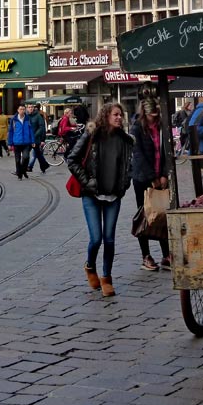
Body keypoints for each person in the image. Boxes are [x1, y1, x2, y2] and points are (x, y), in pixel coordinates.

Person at [68, 102, 133, 297]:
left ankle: (106, 277)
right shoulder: (91, 134)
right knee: (96, 238)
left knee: (110, 238)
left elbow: (130, 165)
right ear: (105, 116)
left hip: (113, 195)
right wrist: (87, 182)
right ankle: (90, 266)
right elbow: (72, 159)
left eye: (120, 115)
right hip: (92, 195)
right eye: (115, 114)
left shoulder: (125, 140)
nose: (119, 118)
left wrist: (125, 184)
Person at [129, 100, 171, 271]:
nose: (154, 118)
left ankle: (166, 255)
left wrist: (164, 174)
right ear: (145, 114)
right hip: (142, 178)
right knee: (145, 214)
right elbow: (137, 154)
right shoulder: (137, 128)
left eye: (156, 114)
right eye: (151, 115)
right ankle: (145, 255)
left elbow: (168, 151)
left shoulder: (162, 127)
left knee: (163, 214)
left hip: (159, 177)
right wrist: (152, 177)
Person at [7, 105, 34, 180]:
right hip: (17, 142)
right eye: (21, 109)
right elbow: (11, 131)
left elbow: (31, 130)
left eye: (23, 109)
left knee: (26, 157)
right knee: (18, 160)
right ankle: (20, 174)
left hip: (26, 142)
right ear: (18, 110)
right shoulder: (14, 120)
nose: (22, 110)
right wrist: (9, 143)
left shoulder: (28, 119)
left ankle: (23, 170)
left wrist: (32, 141)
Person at [26, 104, 51, 173]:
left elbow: (42, 128)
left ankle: (24, 168)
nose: (30, 108)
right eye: (29, 107)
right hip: (28, 139)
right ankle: (44, 165)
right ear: (27, 108)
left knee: (36, 153)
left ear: (34, 108)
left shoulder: (38, 116)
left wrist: (42, 139)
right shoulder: (26, 116)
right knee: (37, 154)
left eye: (31, 107)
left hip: (35, 139)